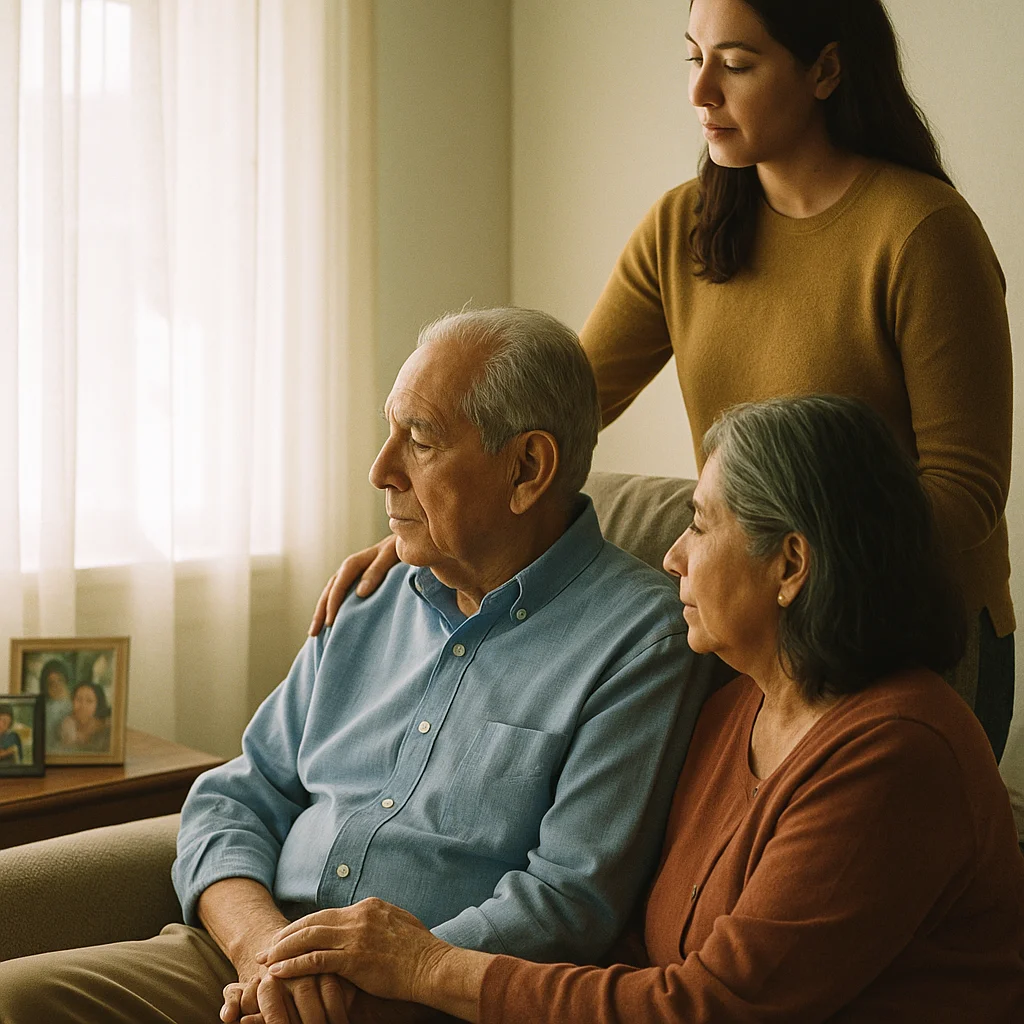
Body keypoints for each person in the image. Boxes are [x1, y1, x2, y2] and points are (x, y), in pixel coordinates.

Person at [309, 0, 1015, 761]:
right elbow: (544, 414)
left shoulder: (922, 233)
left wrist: (783, 577)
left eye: (737, 64)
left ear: (827, 69)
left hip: (903, 635)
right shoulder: (684, 227)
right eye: (694, 58)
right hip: (751, 627)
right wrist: (430, 522)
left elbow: (963, 492)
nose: (700, 91)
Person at [0, 307, 714, 1024]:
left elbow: (568, 900)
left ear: (527, 469)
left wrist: (360, 984)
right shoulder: (374, 595)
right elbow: (235, 798)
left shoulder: (641, 639)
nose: (381, 470)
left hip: (419, 999)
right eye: (390, 430)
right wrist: (265, 952)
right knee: (18, 1001)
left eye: (421, 441)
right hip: (244, 961)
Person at [254, 395, 1024, 1024]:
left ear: (790, 564)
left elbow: (713, 1005)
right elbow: (629, 943)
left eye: (698, 523)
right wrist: (426, 541)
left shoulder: (896, 754)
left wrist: (426, 968)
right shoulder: (731, 707)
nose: (672, 556)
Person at [55, 681, 112, 753]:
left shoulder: (107, 730)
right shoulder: (66, 726)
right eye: (78, 699)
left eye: (89, 701)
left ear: (98, 705)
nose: (83, 706)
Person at [40, 657, 73, 745]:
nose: (57, 687)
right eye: (51, 684)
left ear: (67, 681)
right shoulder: (44, 710)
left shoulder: (77, 704)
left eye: (60, 681)